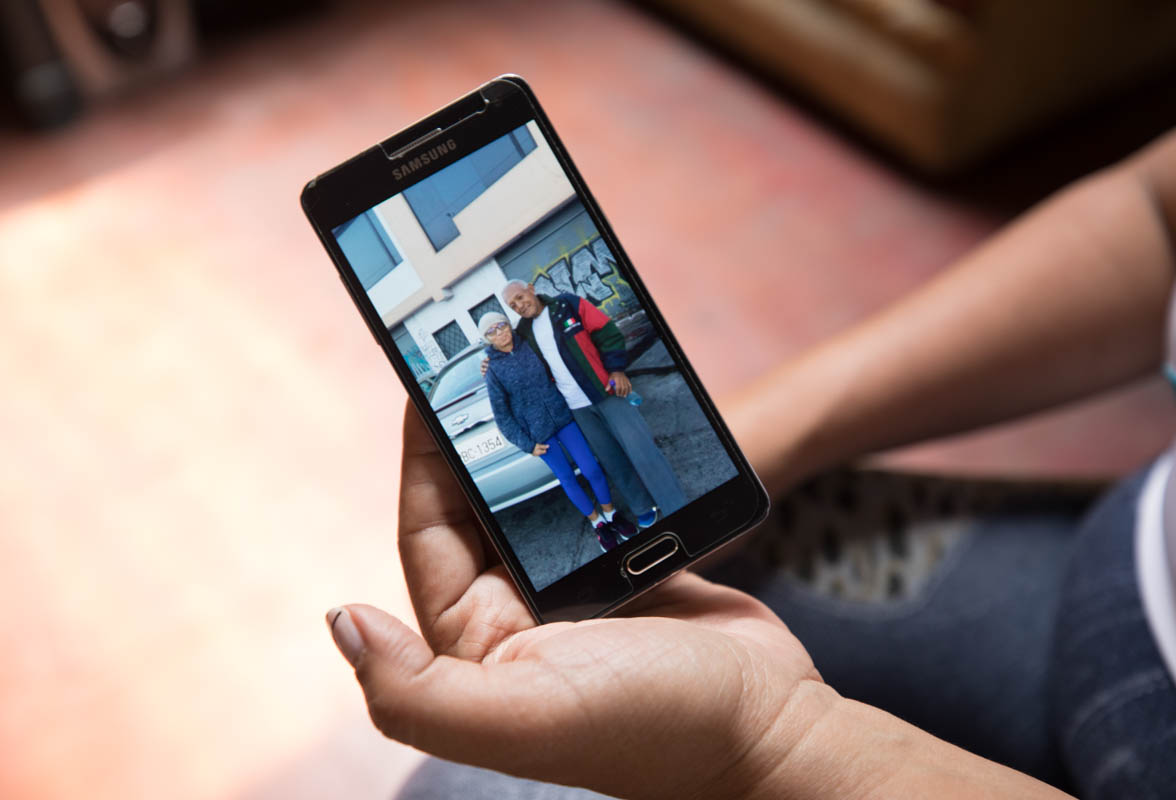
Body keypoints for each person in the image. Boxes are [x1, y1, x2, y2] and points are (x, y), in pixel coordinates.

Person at [326, 127, 1176, 800]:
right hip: (1128, 539)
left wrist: (773, 747)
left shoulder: (557, 308)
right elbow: (1156, 213)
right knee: (642, 554)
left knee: (474, 791)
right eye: (505, 309)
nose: (512, 313)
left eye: (514, 305)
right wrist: (759, 441)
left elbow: (598, 334)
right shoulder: (500, 359)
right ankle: (629, 518)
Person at [500, 279, 687, 528]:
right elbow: (506, 351)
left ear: (531, 289)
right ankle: (642, 506)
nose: (519, 306)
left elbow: (606, 331)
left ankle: (676, 506)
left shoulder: (567, 304)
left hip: (606, 391)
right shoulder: (523, 331)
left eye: (520, 298)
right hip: (576, 409)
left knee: (642, 451)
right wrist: (487, 364)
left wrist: (616, 369)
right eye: (513, 305)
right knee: (612, 459)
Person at [479, 311, 635, 552]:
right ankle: (597, 524)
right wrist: (526, 444)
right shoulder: (493, 371)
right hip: (539, 434)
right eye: (492, 331)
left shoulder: (529, 344)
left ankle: (611, 513)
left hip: (563, 416)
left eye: (502, 325)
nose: (500, 333)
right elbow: (502, 415)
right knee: (567, 478)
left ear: (509, 326)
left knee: (591, 468)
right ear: (487, 339)